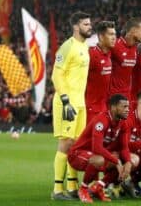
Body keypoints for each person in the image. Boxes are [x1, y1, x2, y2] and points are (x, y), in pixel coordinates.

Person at [51, 11, 92, 201]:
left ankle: (72, 187)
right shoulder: (67, 47)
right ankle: (58, 190)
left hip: (80, 103)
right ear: (76, 26)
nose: (89, 27)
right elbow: (56, 75)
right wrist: (66, 100)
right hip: (66, 103)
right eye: (86, 24)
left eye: (89, 24)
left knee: (76, 145)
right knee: (66, 143)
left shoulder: (85, 47)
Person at [67, 94, 135, 203]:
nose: (127, 110)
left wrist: (128, 162)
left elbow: (124, 147)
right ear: (113, 107)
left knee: (126, 160)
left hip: (95, 155)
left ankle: (98, 187)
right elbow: (97, 148)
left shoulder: (123, 123)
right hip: (77, 154)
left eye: (128, 107)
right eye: (124, 107)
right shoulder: (101, 120)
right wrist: (116, 161)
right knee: (101, 160)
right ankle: (83, 189)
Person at [108, 18, 141, 100]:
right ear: (133, 30)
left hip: (127, 95)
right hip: (113, 96)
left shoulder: (137, 48)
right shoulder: (115, 45)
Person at [86, 21, 116, 123]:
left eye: (114, 34)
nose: (114, 37)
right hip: (91, 109)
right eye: (110, 34)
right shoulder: (91, 55)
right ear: (101, 37)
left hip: (104, 108)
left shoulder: (109, 54)